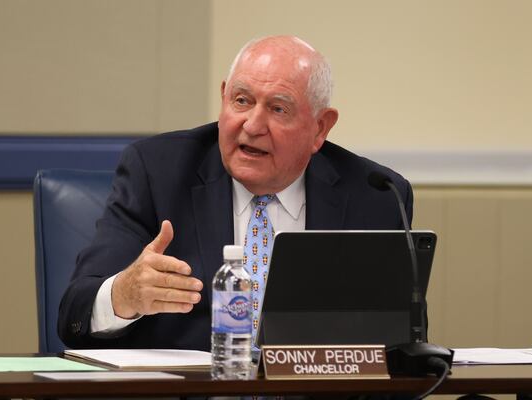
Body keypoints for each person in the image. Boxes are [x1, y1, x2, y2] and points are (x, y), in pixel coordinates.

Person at [58, 35, 413, 350]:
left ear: (320, 128)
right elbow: (75, 311)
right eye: (241, 101)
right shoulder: (158, 173)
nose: (253, 125)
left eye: (278, 108)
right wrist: (125, 293)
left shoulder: (376, 195)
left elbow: (400, 346)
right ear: (224, 97)